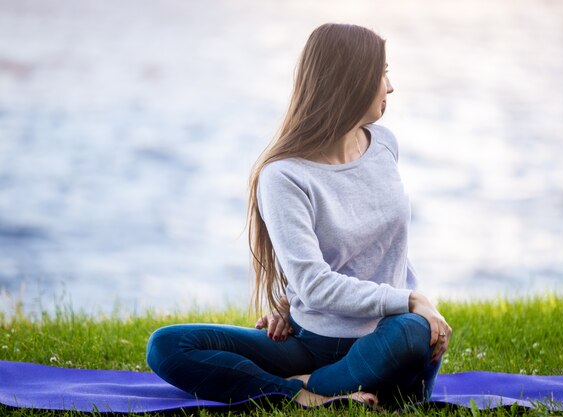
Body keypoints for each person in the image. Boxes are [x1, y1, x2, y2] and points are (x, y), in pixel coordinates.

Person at [146, 23, 452, 409]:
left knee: (413, 332)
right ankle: (305, 393)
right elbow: (314, 283)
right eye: (382, 74)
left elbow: (384, 245)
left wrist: (407, 306)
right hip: (313, 343)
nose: (389, 86)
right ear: (351, 81)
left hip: (387, 339)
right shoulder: (284, 176)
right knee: (167, 345)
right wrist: (409, 298)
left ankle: (299, 386)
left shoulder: (385, 145)